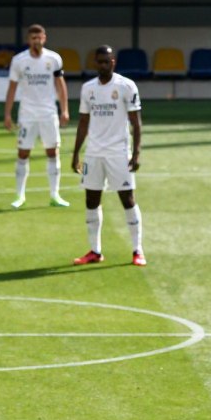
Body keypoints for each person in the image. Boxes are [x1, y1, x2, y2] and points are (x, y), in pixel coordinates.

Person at [70, 46, 145, 267]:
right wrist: (75, 154)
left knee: (127, 199)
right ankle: (95, 250)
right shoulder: (88, 89)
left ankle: (137, 250)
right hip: (93, 154)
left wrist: (136, 152)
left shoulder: (126, 86)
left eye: (107, 61)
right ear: (95, 63)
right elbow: (83, 123)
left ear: (113, 62)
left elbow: (136, 122)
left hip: (118, 153)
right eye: (99, 62)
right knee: (91, 201)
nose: (103, 65)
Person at [4, 24, 70, 210]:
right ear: (28, 40)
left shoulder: (54, 58)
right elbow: (12, 88)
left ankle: (54, 195)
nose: (36, 41)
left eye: (39, 38)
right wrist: (7, 114)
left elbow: (60, 85)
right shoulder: (19, 60)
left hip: (49, 113)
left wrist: (64, 110)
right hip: (27, 114)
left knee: (52, 152)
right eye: (33, 38)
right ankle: (19, 195)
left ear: (44, 38)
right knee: (23, 153)